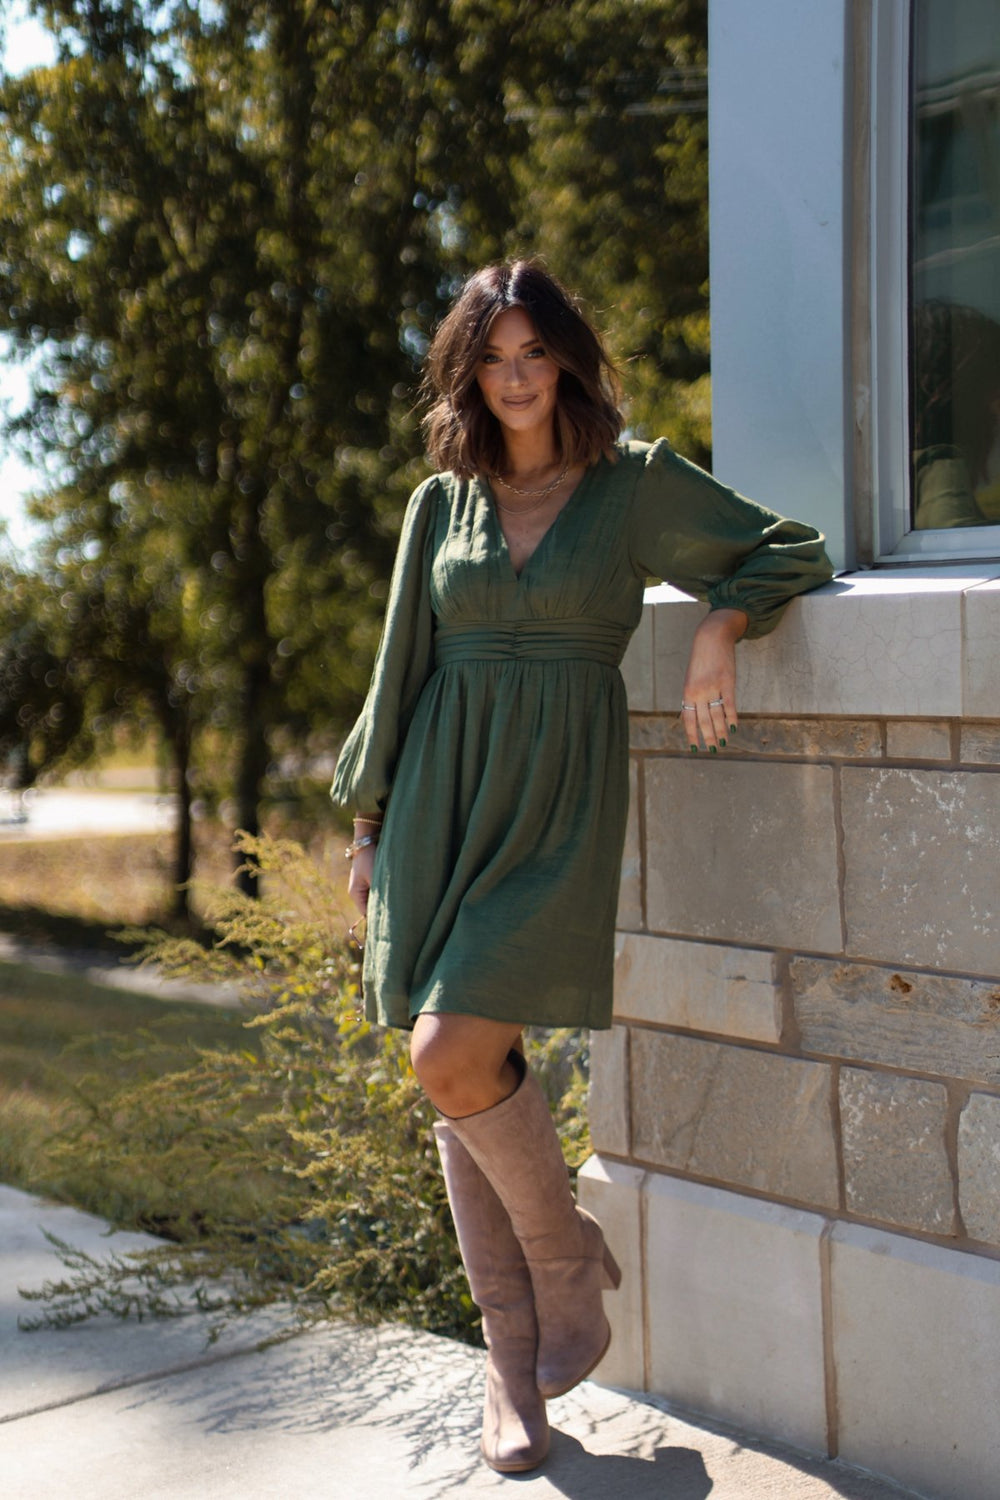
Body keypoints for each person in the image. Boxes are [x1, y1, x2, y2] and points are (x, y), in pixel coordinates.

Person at [331, 261, 834, 1474]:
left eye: (533, 354)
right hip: (438, 808)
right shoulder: (436, 506)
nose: (513, 377)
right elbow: (400, 665)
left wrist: (716, 628)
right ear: (467, 371)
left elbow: (785, 550)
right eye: (492, 358)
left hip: (554, 806)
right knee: (465, 1070)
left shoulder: (633, 485)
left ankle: (564, 1266)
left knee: (448, 1054)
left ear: (565, 360)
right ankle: (513, 1369)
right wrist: (363, 825)